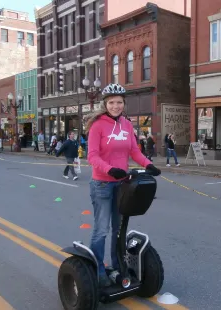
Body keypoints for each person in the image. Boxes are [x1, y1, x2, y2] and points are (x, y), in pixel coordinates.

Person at [85, 83, 161, 287]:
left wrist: (149, 164)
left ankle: (118, 265)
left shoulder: (127, 125)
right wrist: (109, 170)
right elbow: (91, 156)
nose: (115, 106)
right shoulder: (97, 125)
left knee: (118, 228)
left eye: (119, 102)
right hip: (102, 183)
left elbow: (133, 151)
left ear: (124, 104)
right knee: (102, 229)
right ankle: (98, 268)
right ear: (105, 104)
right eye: (111, 102)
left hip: (122, 184)